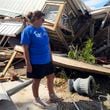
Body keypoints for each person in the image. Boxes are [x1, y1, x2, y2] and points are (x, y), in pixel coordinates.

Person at [20, 11, 62, 108]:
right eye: (42, 19)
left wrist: (51, 58)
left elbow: (47, 45)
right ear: (37, 19)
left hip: (47, 60)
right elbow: (25, 49)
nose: (44, 21)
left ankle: (52, 96)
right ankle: (36, 99)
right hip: (36, 62)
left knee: (51, 77)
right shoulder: (27, 31)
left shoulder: (43, 29)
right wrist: (28, 64)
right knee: (37, 81)